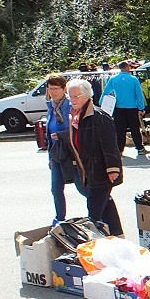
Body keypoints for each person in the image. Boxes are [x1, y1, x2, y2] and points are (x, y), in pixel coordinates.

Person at [65, 78, 124, 236]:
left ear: (86, 96)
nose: (73, 100)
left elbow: (110, 144)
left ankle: (93, 243)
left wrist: (113, 169)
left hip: (101, 171)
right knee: (106, 206)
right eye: (70, 97)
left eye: (76, 96)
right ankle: (118, 237)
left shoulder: (98, 115)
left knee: (94, 212)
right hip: (88, 171)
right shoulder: (76, 117)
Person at [45, 74, 84, 224]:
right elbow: (48, 133)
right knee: (56, 189)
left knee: (82, 188)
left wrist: (61, 135)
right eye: (50, 89)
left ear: (63, 89)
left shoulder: (69, 105)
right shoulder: (50, 106)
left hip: (71, 153)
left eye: (56, 88)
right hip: (56, 154)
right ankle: (60, 218)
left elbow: (76, 128)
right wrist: (49, 157)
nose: (53, 92)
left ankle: (99, 211)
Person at [101, 61, 148, 156]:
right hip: (132, 108)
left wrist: (101, 103)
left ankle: (119, 150)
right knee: (135, 129)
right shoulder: (133, 79)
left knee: (119, 130)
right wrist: (141, 108)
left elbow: (106, 92)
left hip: (119, 108)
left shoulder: (113, 79)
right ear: (127, 68)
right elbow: (138, 94)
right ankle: (140, 148)